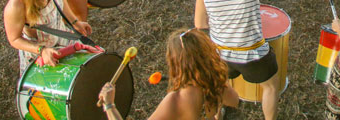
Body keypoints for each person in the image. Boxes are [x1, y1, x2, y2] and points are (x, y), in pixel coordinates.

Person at [194, 0, 280, 120]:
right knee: (271, 87)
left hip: (221, 55)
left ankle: (217, 116)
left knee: (218, 85)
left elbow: (200, 24)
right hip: (253, 55)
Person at [97, 29, 240, 120]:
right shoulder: (216, 83)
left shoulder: (175, 100)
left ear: (175, 62)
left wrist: (110, 105)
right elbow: (234, 101)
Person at [3, 0, 92, 72]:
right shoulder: (16, 5)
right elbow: (14, 39)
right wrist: (41, 50)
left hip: (63, 39)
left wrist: (75, 22)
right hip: (40, 53)